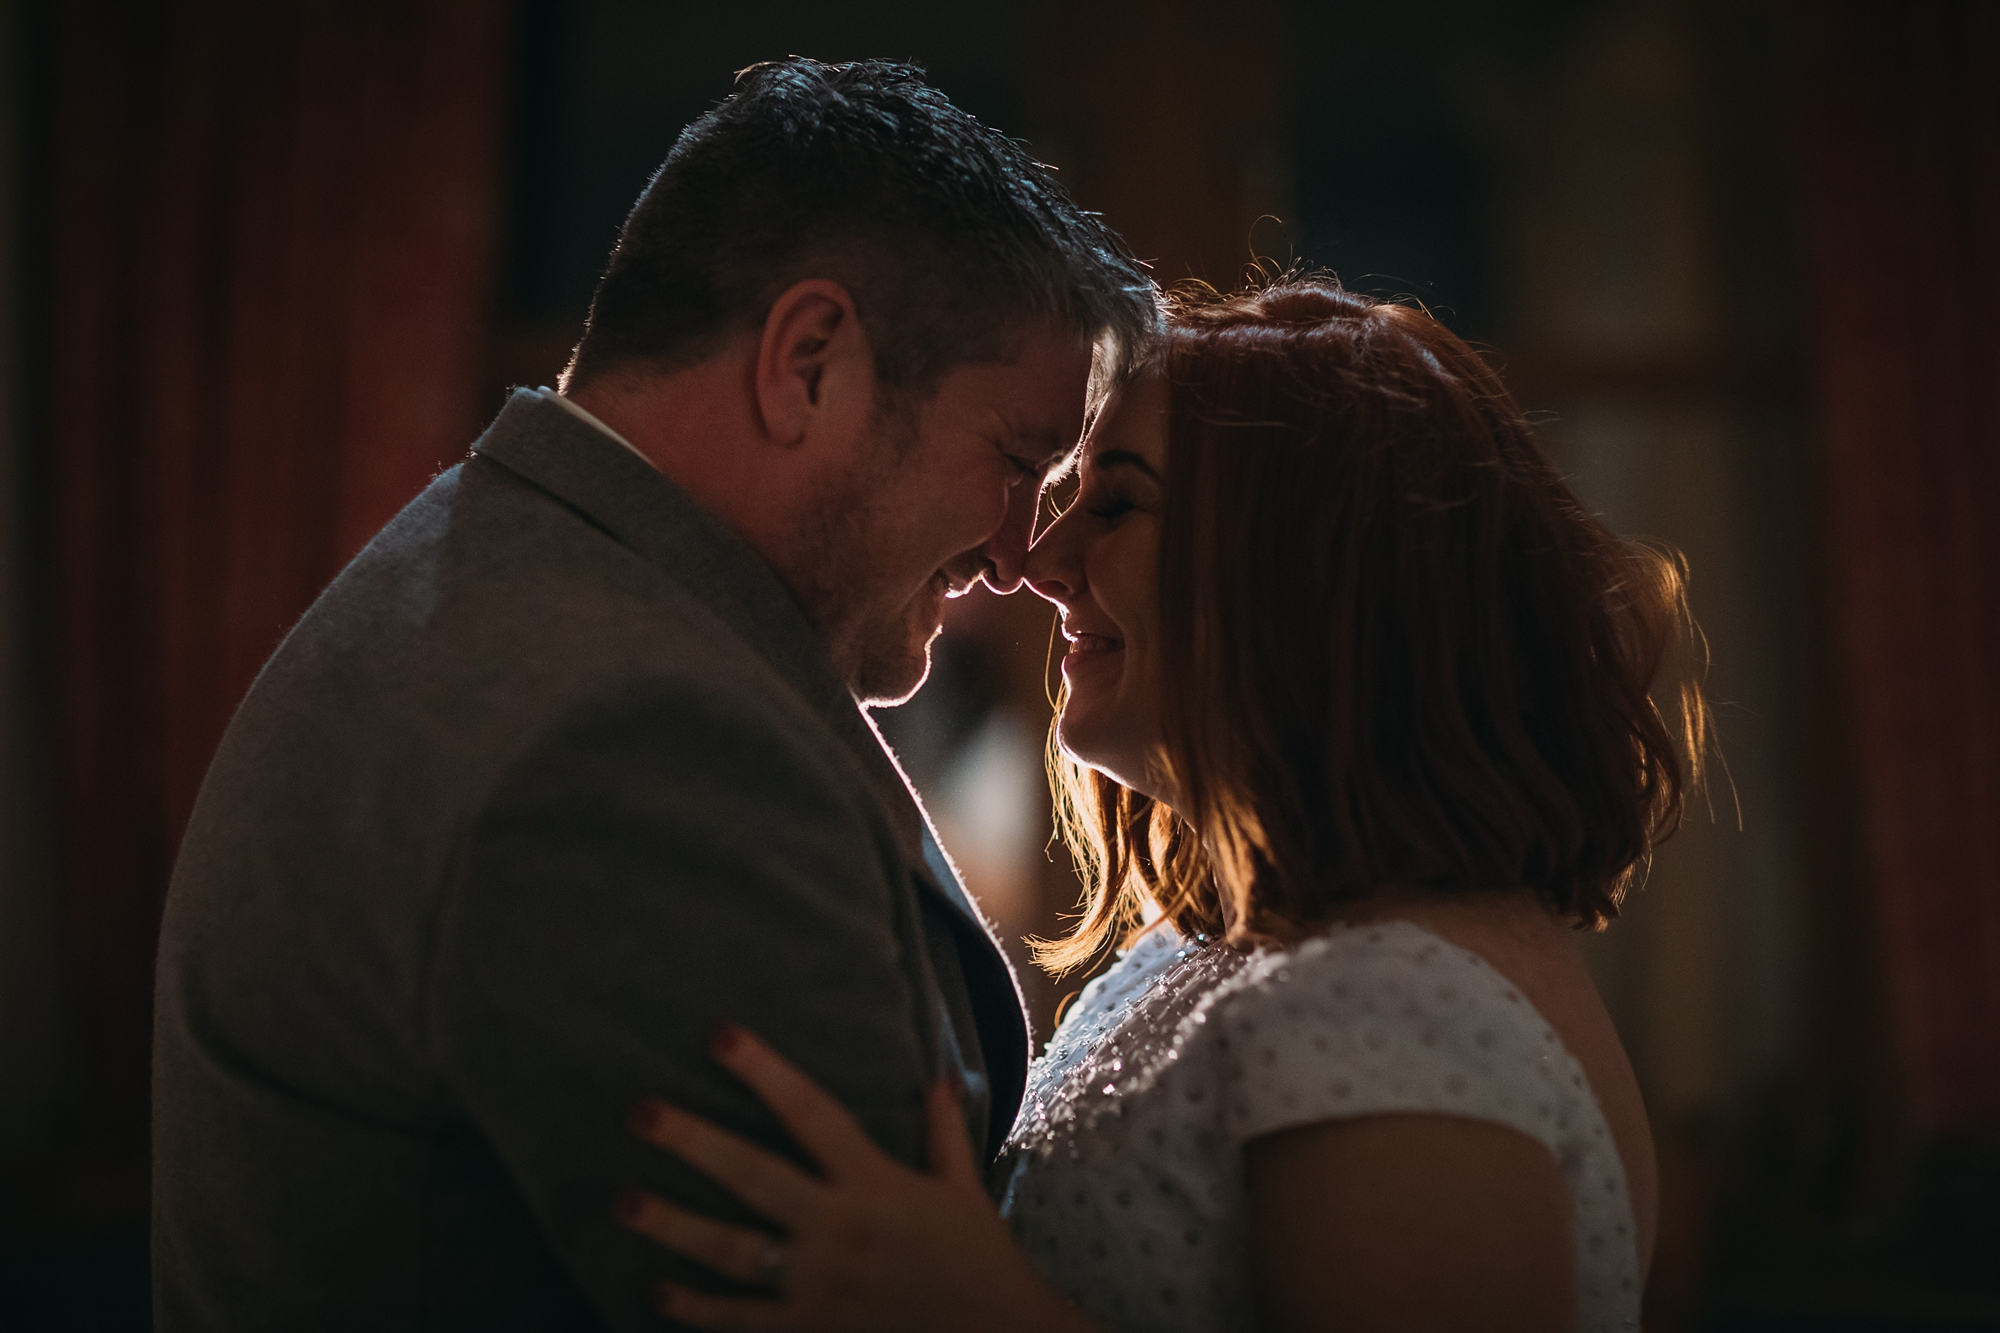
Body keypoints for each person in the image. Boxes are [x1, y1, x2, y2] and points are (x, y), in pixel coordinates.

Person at [150, 59, 1154, 1330]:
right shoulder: (630, 744)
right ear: (808, 363)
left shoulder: (507, 567)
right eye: (1017, 460)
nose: (1021, 553)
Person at [612, 278, 1712, 1332]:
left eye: (1120, 502)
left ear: (1305, 569)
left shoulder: (1390, 1001)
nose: (1037, 560)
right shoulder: (1261, 947)